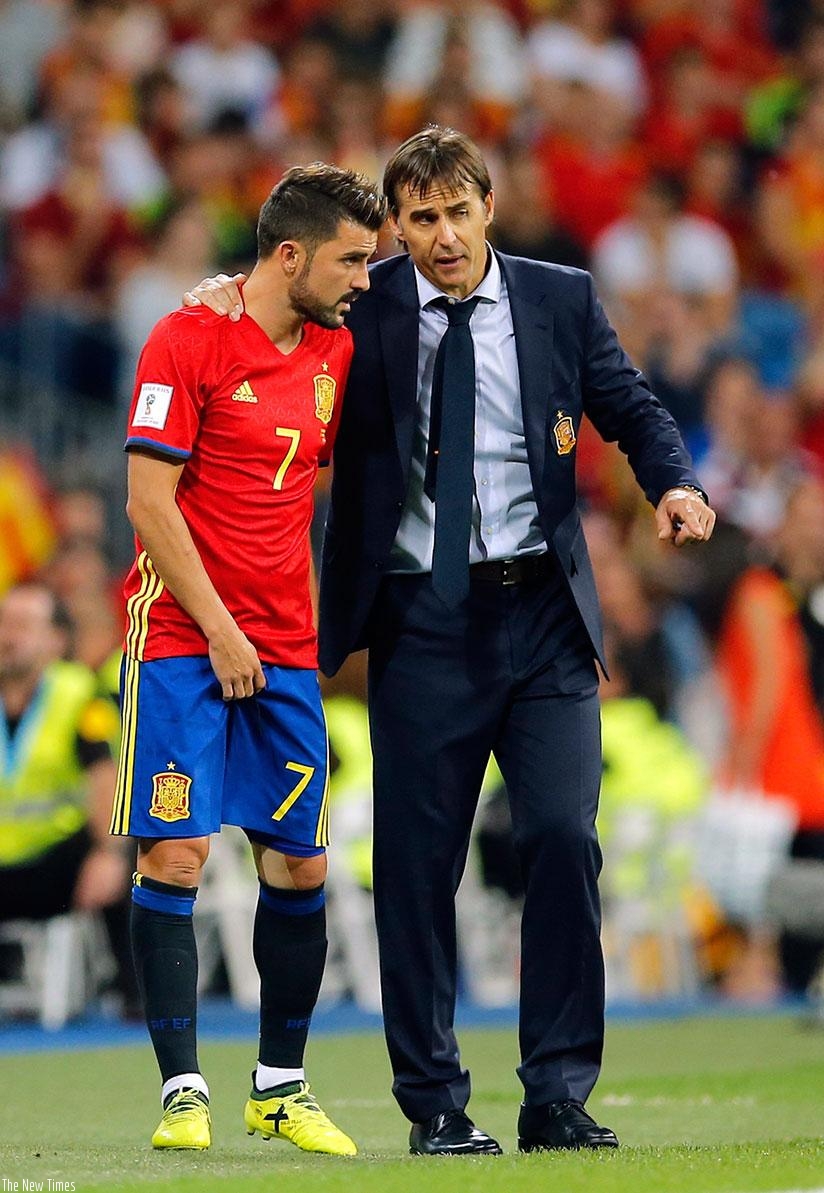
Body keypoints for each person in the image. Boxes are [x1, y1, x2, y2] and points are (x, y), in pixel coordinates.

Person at [186, 124, 715, 1157]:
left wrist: (676, 484)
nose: (437, 235)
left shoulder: (558, 298)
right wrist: (217, 292)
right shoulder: (364, 305)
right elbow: (271, 315)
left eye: (454, 211)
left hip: (542, 616)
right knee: (417, 866)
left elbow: (628, 404)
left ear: (488, 204)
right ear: (395, 225)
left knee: (561, 835)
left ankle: (556, 1091)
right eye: (416, 218)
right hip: (421, 619)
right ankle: (433, 1100)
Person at [111, 163, 386, 1153]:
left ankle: (278, 1083)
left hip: (284, 646)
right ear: (288, 255)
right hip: (186, 637)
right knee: (175, 851)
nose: (364, 276)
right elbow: (147, 502)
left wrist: (280, 635)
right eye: (351, 258)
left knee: (302, 862)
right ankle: (183, 1088)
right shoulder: (185, 337)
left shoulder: (335, 350)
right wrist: (223, 628)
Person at [0, 581, 135, 1012]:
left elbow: (104, 777)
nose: (7, 636)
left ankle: (139, 1000)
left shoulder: (79, 694)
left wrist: (109, 853)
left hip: (55, 864)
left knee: (127, 863)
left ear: (56, 640)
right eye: (2, 623)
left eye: (21, 625)